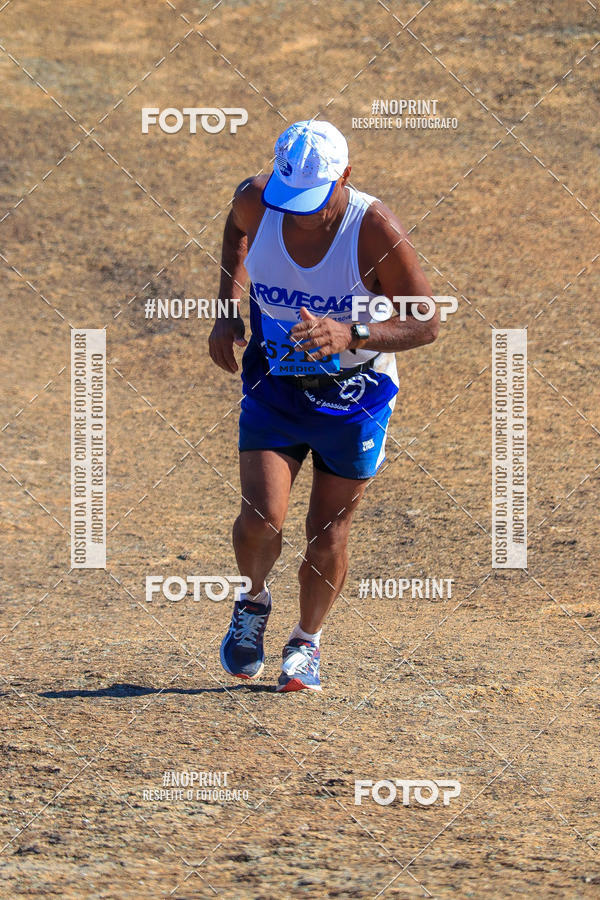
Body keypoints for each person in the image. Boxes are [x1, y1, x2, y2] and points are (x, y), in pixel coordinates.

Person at [209, 120, 438, 692]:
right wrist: (225, 308)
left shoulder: (373, 229)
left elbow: (426, 320)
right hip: (275, 386)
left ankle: (306, 642)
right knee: (260, 520)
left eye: (311, 201)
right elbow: (235, 234)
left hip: (355, 397)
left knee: (328, 531)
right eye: (290, 199)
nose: (298, 213)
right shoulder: (258, 201)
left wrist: (353, 332)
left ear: (346, 178)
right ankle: (253, 602)